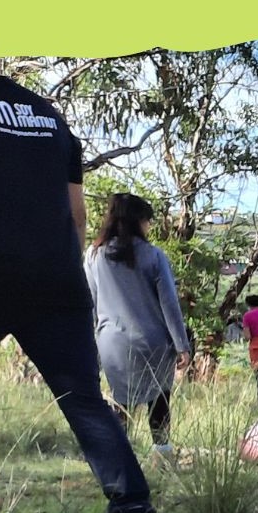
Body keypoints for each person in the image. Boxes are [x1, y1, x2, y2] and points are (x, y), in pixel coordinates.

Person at [0, 57, 158, 513]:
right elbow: (77, 211)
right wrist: (63, 268)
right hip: (58, 278)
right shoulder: (48, 113)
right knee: (82, 397)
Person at [84, 193, 192, 459]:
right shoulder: (154, 255)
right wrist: (182, 345)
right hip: (153, 341)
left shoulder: (94, 254)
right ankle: (163, 456)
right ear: (139, 221)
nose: (149, 226)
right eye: (148, 221)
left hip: (111, 343)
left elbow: (90, 301)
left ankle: (116, 457)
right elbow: (169, 304)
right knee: (160, 399)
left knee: (121, 400)